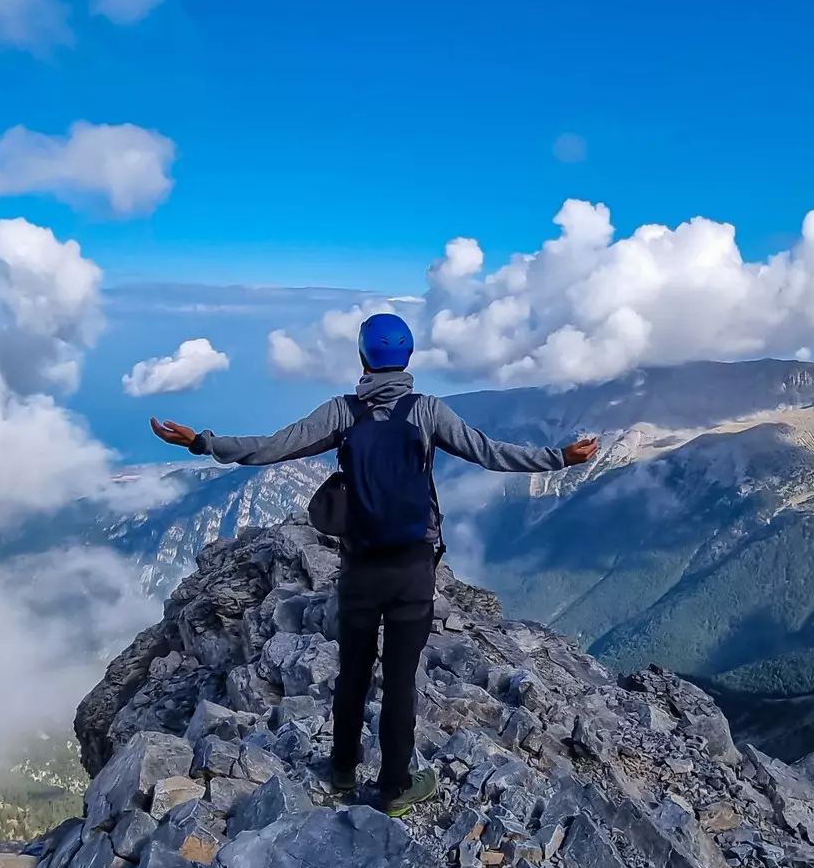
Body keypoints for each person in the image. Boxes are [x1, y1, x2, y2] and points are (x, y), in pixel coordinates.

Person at [150, 313, 598, 816]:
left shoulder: (342, 412)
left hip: (360, 568)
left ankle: (342, 770)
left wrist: (202, 442)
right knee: (401, 681)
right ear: (407, 358)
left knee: (354, 673)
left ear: (364, 357)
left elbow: (273, 447)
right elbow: (489, 453)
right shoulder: (428, 411)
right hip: (413, 570)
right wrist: (559, 458)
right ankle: (394, 788)